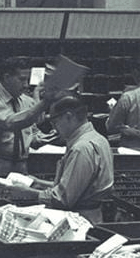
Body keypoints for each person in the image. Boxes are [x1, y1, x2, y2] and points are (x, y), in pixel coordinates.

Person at [11, 94, 114, 225]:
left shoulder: (81, 148)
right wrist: (39, 182)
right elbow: (75, 187)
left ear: (68, 117)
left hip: (79, 220)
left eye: (55, 122)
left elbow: (62, 199)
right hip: (89, 216)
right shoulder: (98, 139)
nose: (54, 128)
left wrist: (28, 193)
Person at [0, 57, 51, 177]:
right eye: (22, 79)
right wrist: (46, 101)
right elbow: (12, 123)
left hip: (19, 166)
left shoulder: (26, 101)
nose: (26, 85)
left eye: (27, 80)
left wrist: (60, 136)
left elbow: (31, 134)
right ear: (7, 78)